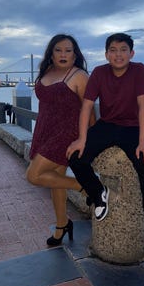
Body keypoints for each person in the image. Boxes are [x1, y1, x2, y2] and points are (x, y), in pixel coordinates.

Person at [66, 32, 144, 254]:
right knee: (76, 158)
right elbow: (87, 106)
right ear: (106, 54)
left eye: (123, 50)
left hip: (134, 128)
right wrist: (82, 138)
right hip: (107, 124)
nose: (118, 54)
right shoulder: (99, 72)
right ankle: (98, 194)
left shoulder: (139, 70)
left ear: (131, 53)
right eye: (113, 50)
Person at [26, 34, 94, 246]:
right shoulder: (47, 71)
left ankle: (89, 187)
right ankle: (62, 224)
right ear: (51, 53)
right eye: (58, 50)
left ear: (75, 54)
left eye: (68, 50)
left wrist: (88, 139)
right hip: (45, 130)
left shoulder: (79, 76)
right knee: (56, 181)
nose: (63, 54)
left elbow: (89, 110)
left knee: (34, 175)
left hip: (67, 134)